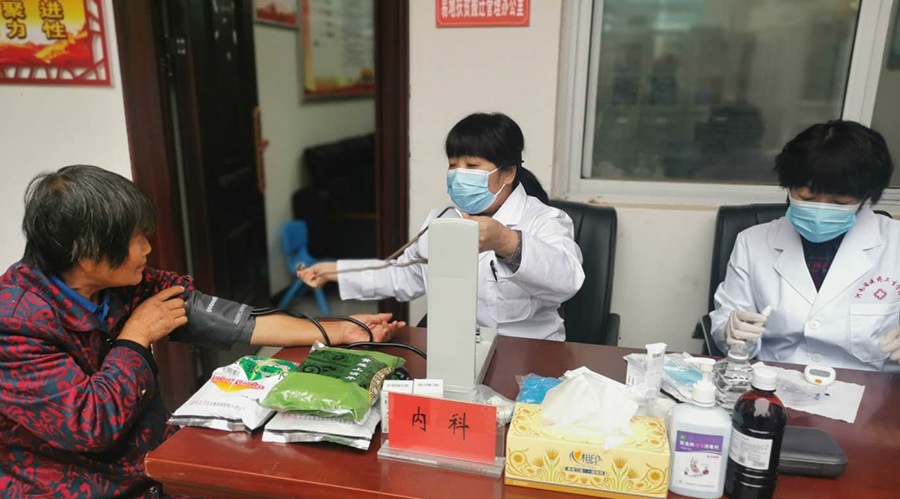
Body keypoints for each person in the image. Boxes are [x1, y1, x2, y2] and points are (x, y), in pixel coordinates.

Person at [0, 165, 404, 498]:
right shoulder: (14, 322)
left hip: (152, 468)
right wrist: (135, 337)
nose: (147, 248)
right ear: (86, 253)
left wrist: (337, 330)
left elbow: (225, 318)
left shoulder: (120, 283)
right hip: (72, 487)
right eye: (135, 239)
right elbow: (90, 424)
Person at [300, 113, 585, 341]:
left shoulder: (544, 219)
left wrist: (506, 241)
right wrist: (336, 272)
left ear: (508, 173)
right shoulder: (442, 219)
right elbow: (405, 275)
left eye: (472, 165)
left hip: (526, 352)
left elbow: (567, 282)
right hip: (455, 349)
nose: (459, 175)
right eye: (453, 165)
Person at [710, 120, 900, 372]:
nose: (821, 208)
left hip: (869, 386)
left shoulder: (895, 244)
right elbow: (728, 320)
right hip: (775, 379)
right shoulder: (752, 242)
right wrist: (729, 331)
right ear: (788, 187)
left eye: (839, 202)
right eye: (807, 197)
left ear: (866, 197)